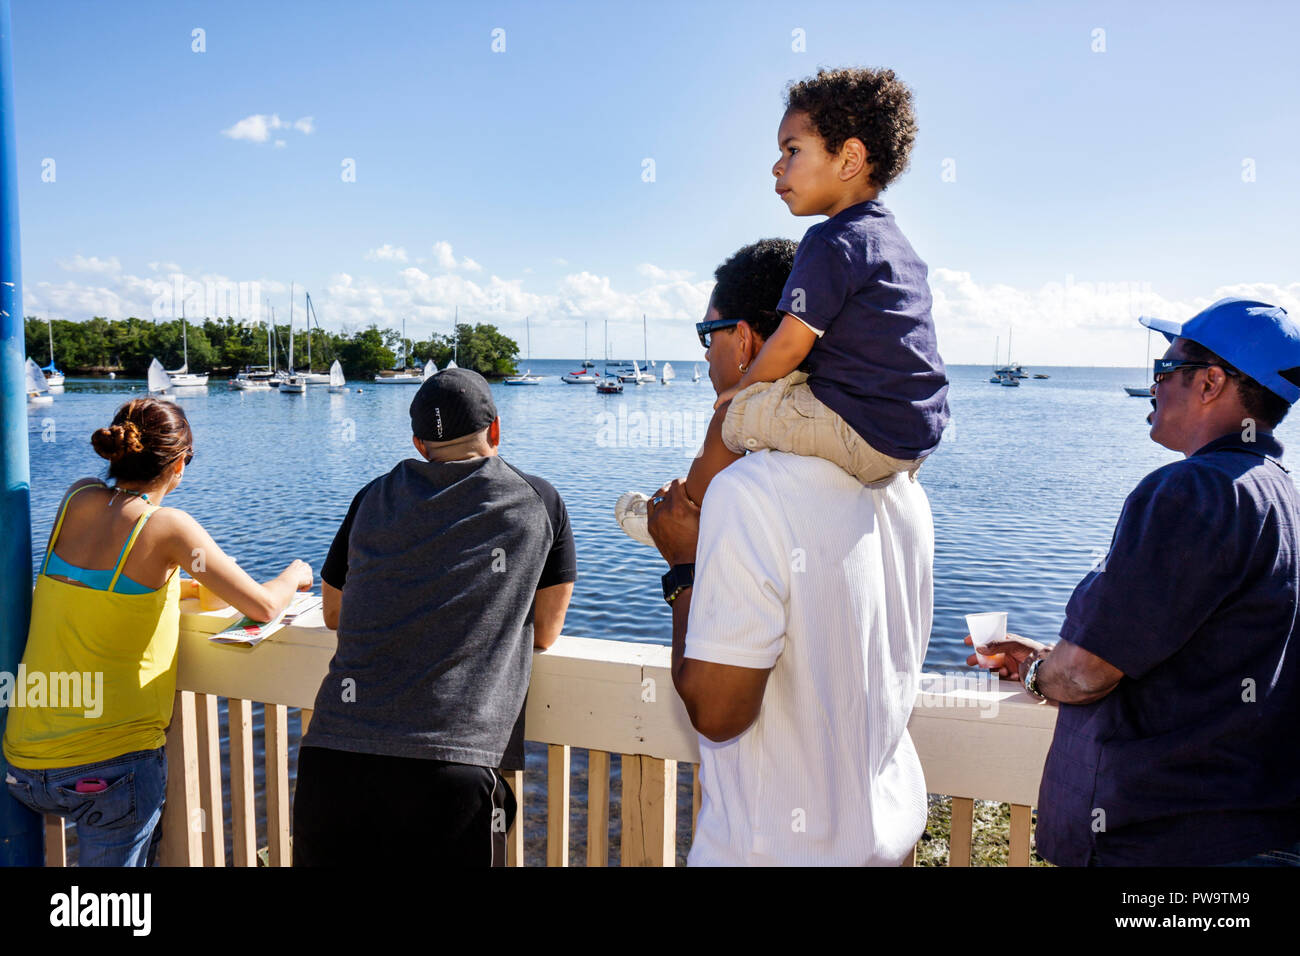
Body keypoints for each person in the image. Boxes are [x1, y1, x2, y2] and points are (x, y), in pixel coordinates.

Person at [971, 298, 1300, 867]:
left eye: (1162, 371)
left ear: (1210, 382)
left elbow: (1083, 677)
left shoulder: (1189, 492)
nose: (1153, 388)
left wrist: (1037, 670)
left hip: (1168, 848)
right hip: (1257, 834)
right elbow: (1208, 657)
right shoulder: (1283, 500)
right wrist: (1055, 653)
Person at [646, 239, 936, 865]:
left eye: (709, 333)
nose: (704, 353)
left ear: (748, 341)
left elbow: (718, 713)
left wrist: (685, 568)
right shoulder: (902, 488)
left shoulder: (748, 494)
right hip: (888, 842)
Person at [617, 66, 950, 545]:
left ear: (849, 158)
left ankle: (683, 511)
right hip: (913, 437)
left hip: (866, 431)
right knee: (784, 389)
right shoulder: (897, 244)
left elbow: (792, 339)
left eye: (792, 150)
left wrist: (743, 391)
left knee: (736, 417)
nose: (777, 166)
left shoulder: (831, 240)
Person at [2, 397, 313, 866]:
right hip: (109, 770)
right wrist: (296, 573)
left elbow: (97, 580)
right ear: (180, 465)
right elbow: (264, 605)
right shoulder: (168, 527)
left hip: (24, 763)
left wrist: (177, 585)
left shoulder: (76, 498)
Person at [293, 368, 576, 867]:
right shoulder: (538, 500)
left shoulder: (373, 496)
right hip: (454, 764)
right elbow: (547, 632)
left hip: (334, 756)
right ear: (496, 430)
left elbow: (335, 611)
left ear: (419, 444)